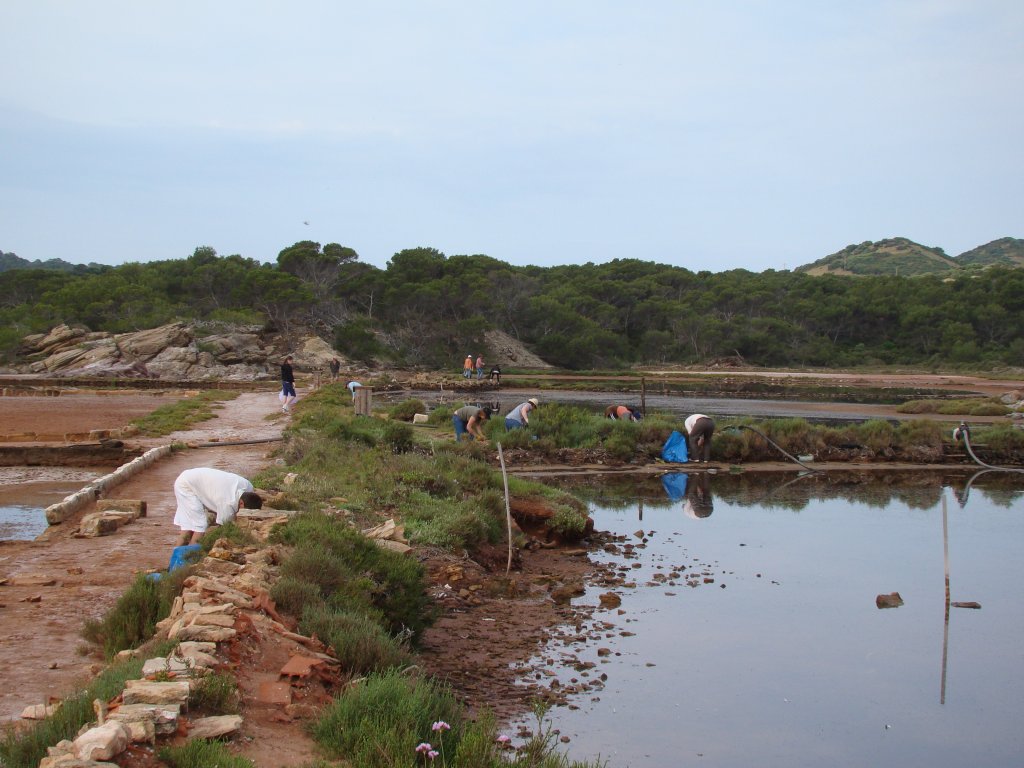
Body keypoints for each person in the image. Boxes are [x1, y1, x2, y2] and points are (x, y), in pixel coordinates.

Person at [172, 467, 263, 546]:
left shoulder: (248, 486)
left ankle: (175, 559)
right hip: (186, 485)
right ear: (241, 503)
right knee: (199, 526)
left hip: (193, 476)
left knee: (188, 525)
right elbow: (223, 528)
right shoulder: (227, 503)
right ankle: (187, 558)